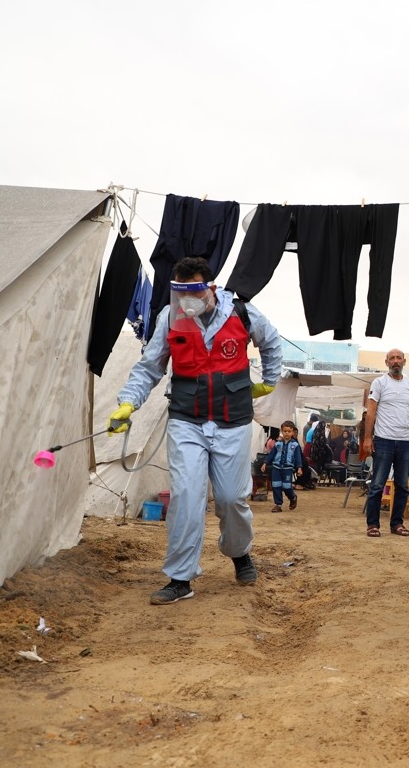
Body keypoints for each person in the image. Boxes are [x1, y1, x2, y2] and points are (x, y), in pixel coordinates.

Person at [109, 255, 283, 605]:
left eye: (193, 292)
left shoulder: (242, 312)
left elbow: (272, 343)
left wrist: (268, 381)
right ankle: (180, 577)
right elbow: (149, 368)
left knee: (232, 499)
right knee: (186, 497)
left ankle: (239, 553)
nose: (186, 300)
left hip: (232, 421)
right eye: (180, 293)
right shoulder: (168, 318)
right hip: (186, 420)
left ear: (210, 289)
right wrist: (128, 402)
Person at [362, 348, 409, 538]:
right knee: (377, 484)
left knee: (402, 486)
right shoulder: (379, 383)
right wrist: (367, 437)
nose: (395, 361)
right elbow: (371, 411)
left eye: (399, 358)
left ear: (404, 361)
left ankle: (397, 524)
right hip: (384, 440)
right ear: (386, 362)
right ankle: (373, 525)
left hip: (406, 441)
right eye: (392, 358)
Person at [267, 420, 304, 512]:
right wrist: (265, 463)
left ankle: (292, 497)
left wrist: (299, 468)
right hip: (276, 468)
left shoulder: (295, 445)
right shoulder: (278, 444)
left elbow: (298, 457)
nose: (287, 433)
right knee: (276, 485)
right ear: (282, 431)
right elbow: (271, 454)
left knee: (287, 486)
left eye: (289, 431)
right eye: (285, 431)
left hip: (287, 468)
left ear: (293, 432)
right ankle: (278, 505)